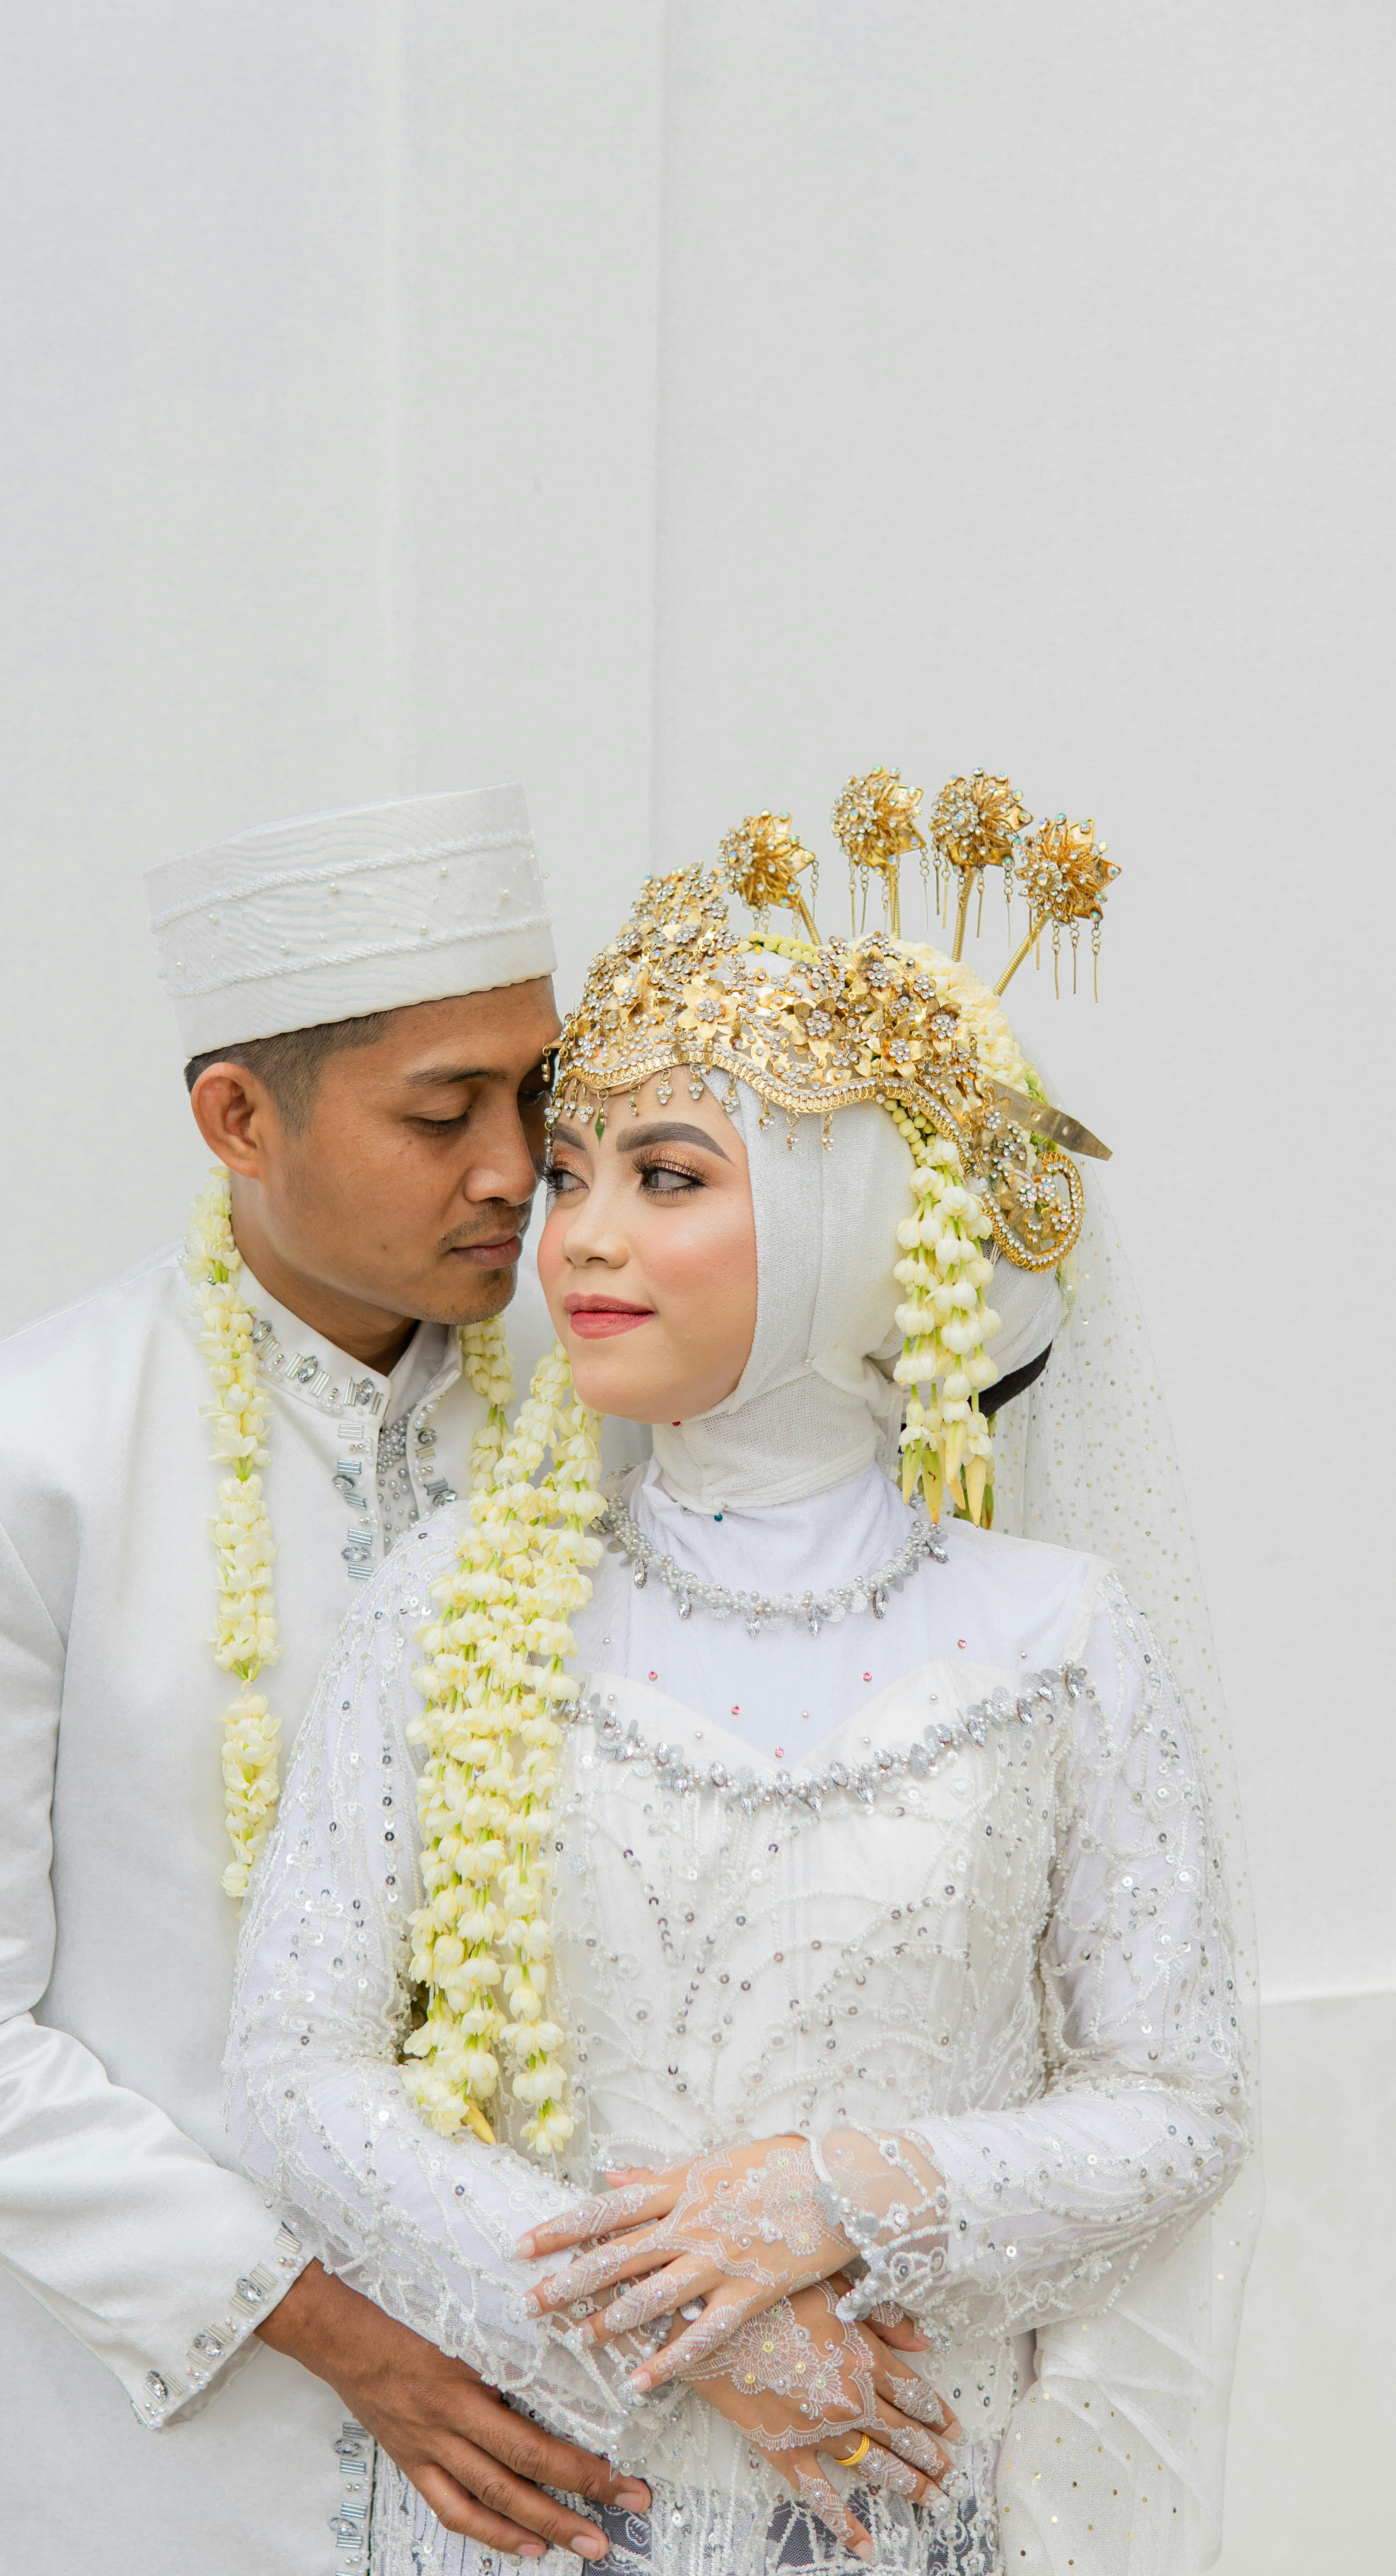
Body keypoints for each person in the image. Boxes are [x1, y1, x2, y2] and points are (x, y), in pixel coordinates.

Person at [227, 838, 1256, 2576]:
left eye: (669, 1174)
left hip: (905, 2505)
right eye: (569, 1173)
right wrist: (701, 2327)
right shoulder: (458, 1607)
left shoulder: (1053, 1638)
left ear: (856, 1220)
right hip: (551, 2506)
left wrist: (837, 2198)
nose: (585, 1236)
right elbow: (296, 2079)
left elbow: (1177, 2102)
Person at [0, 788, 653, 2576]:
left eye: (538, 1097)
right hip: (167, 2456)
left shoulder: (622, 1430)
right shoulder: (12, 1453)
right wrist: (346, 2340)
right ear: (236, 1117)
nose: (516, 1168)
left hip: (574, 2425)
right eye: (443, 1111)